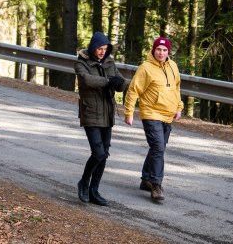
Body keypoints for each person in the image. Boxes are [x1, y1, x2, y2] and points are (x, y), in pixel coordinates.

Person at [124, 37, 183, 202]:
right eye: (158, 49)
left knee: (158, 148)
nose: (161, 53)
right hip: (151, 113)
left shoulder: (173, 66)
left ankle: (146, 179)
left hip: (168, 114)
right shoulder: (145, 68)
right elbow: (133, 90)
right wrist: (129, 113)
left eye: (164, 50)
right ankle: (156, 185)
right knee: (158, 147)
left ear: (168, 52)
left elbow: (176, 88)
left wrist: (179, 107)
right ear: (153, 50)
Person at [74, 31, 127, 206]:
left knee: (104, 155)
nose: (102, 52)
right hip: (90, 112)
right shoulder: (81, 63)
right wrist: (108, 81)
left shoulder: (109, 62)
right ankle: (84, 182)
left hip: (107, 113)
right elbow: (87, 80)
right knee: (98, 153)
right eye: (99, 49)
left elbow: (120, 82)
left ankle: (94, 190)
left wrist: (123, 84)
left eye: (105, 49)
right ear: (93, 48)